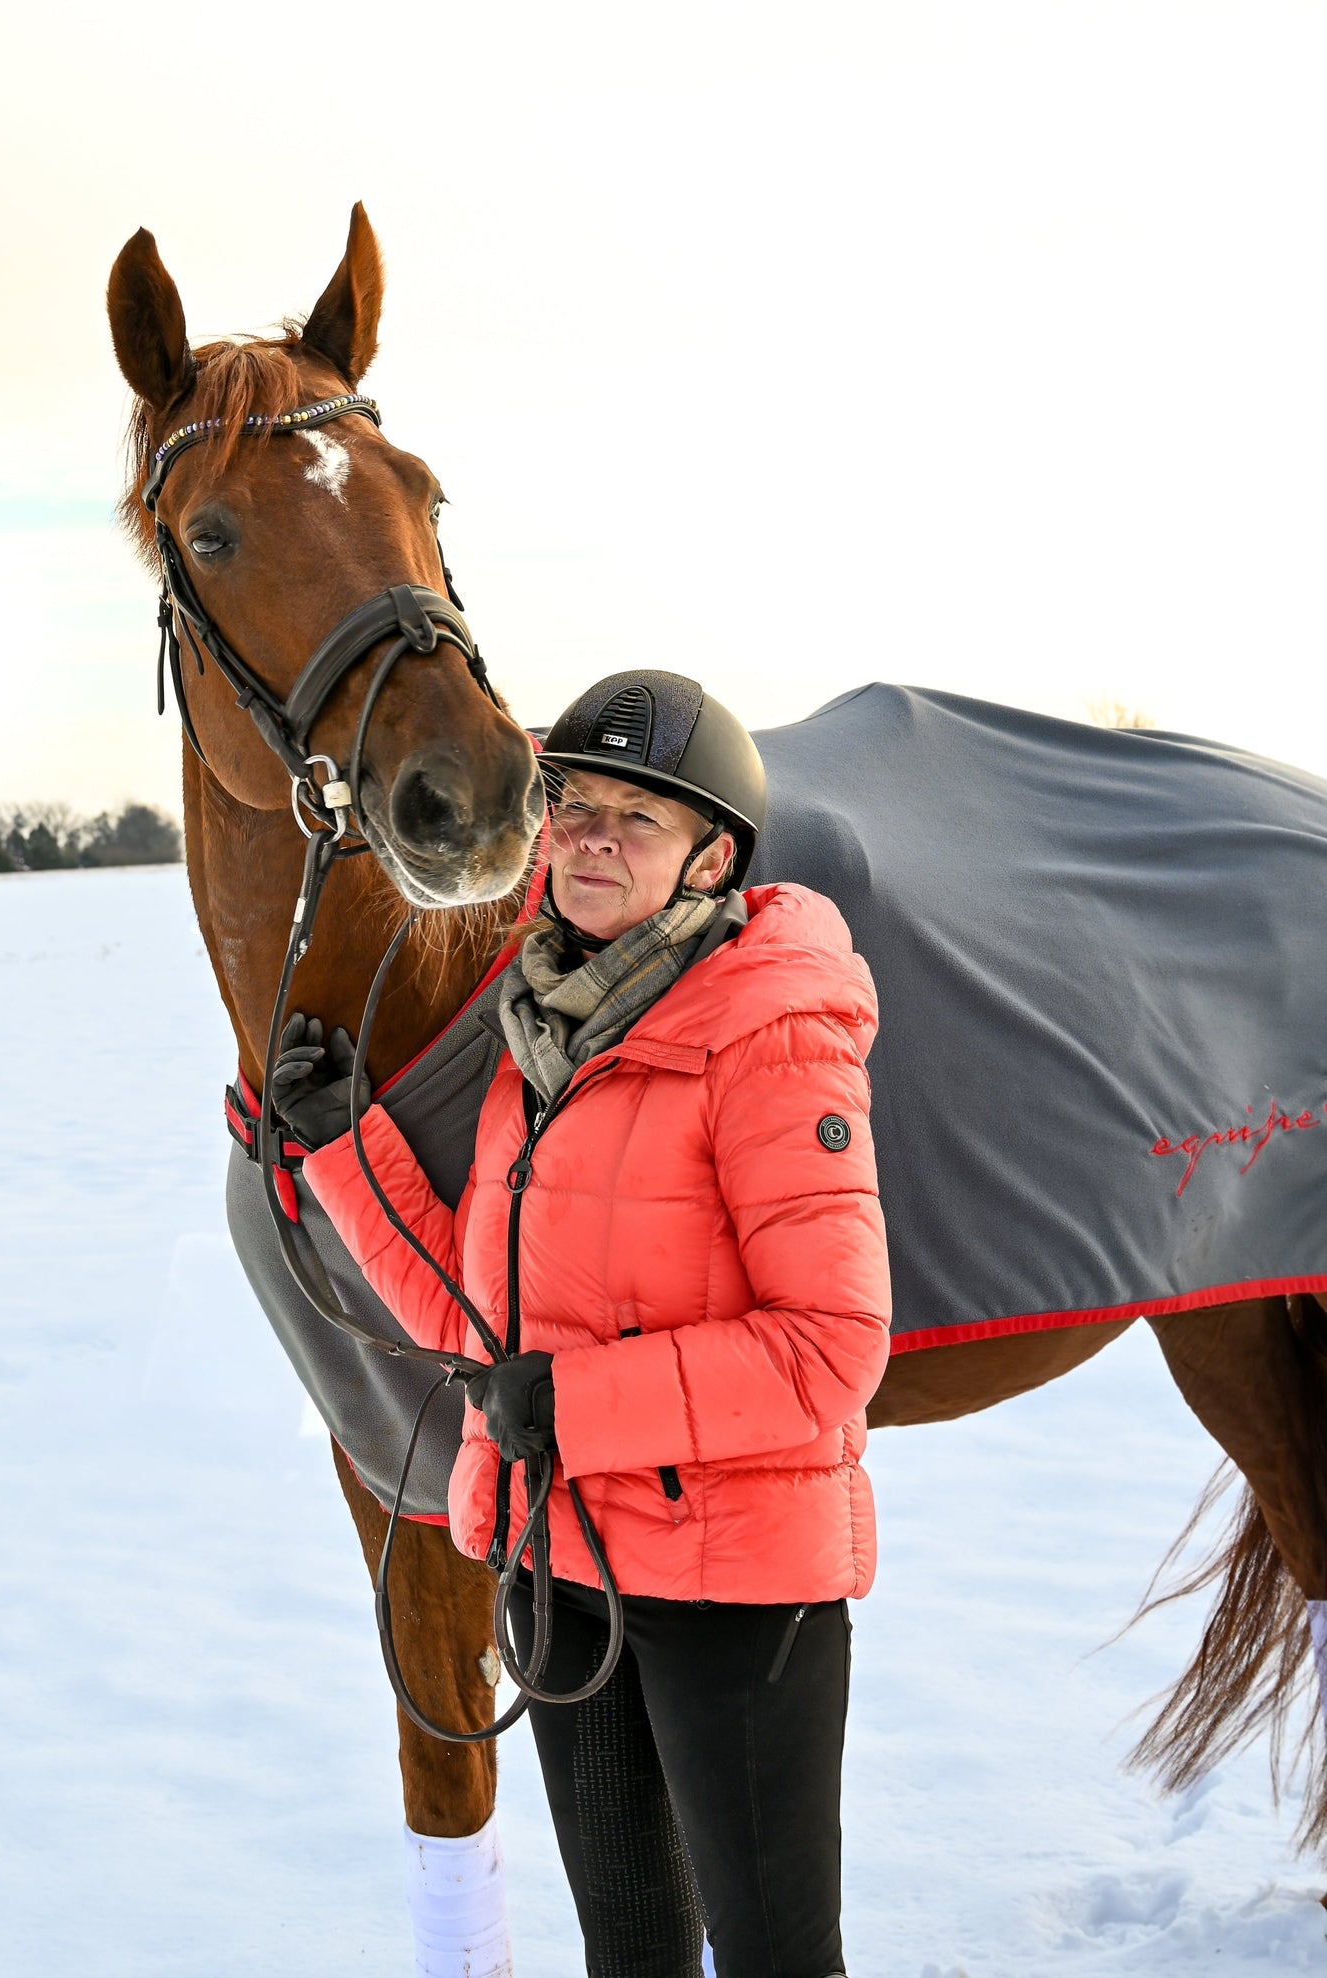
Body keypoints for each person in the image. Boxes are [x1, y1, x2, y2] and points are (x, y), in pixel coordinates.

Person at [276, 670, 891, 1978]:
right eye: (573, 805)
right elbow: (480, 1319)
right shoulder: (536, 1034)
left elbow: (831, 1345)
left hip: (735, 1591)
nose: (590, 838)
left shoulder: (770, 1034)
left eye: (637, 817)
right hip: (562, 1568)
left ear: (711, 855)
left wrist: (576, 1403)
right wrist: (338, 1150)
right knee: (630, 1946)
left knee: (777, 1954)